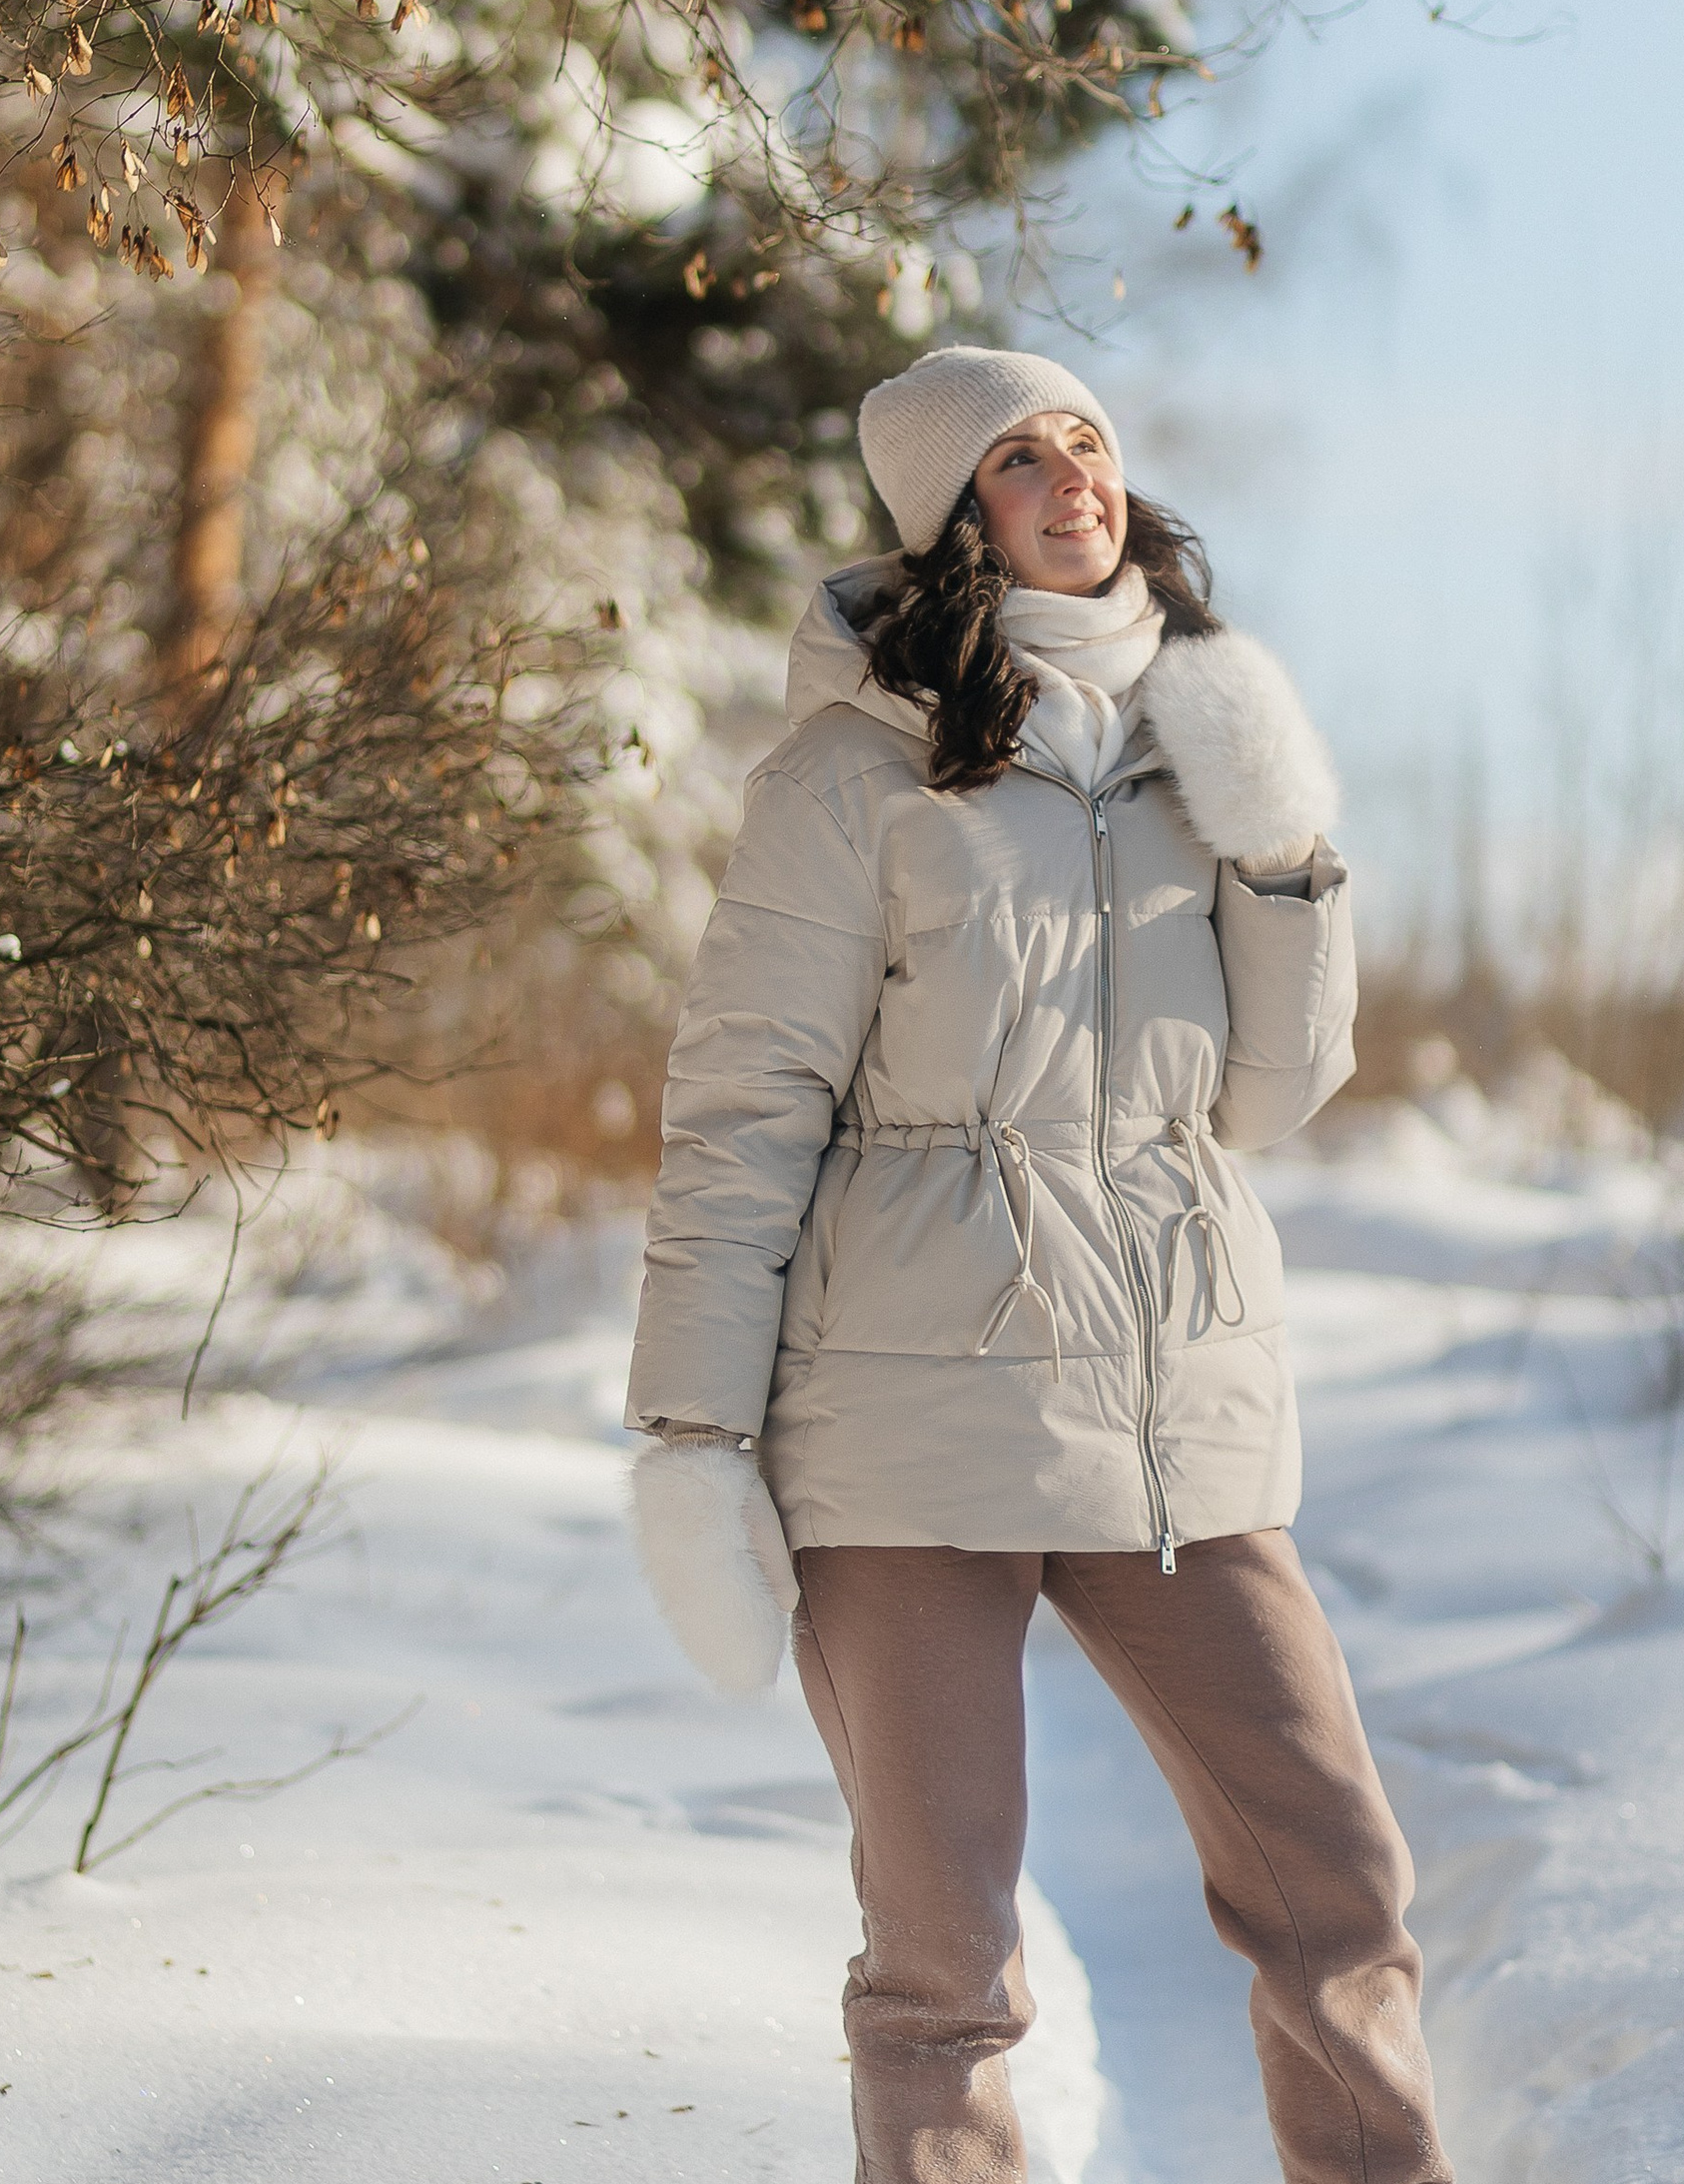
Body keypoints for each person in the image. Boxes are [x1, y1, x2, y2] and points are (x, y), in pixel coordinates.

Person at [622, 347, 1450, 2184]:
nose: (1071, 475)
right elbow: (742, 1111)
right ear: (948, 522)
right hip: (904, 1429)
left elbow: (1269, 1090)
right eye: (1016, 457)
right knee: (942, 1969)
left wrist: (1286, 849)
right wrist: (690, 1434)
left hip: (1174, 1408)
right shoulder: (850, 777)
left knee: (1337, 1891)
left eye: (1086, 440)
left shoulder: (1200, 743)